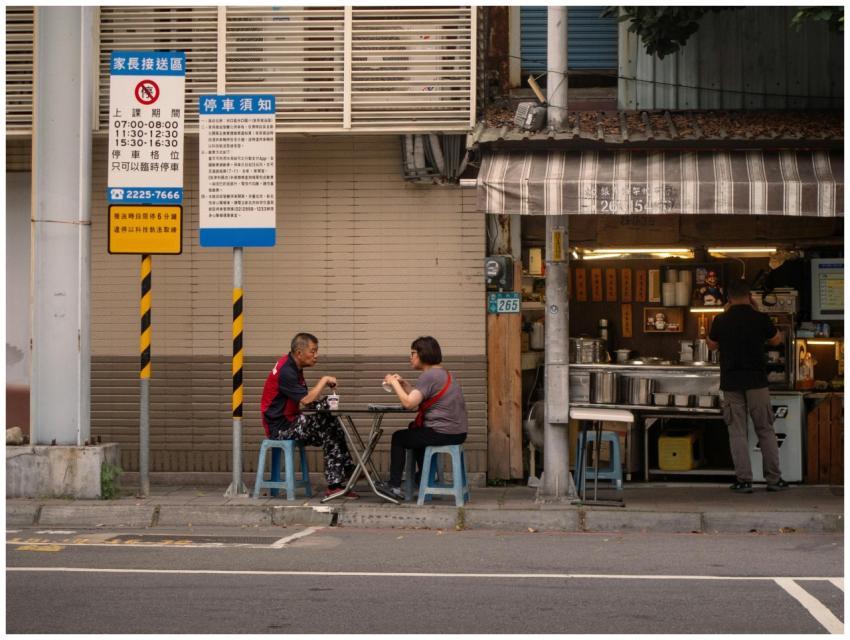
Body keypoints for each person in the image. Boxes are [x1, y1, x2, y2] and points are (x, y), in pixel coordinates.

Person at [707, 279, 787, 494]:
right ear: (749, 296)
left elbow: (712, 345)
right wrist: (758, 311)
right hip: (757, 382)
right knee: (765, 430)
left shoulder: (721, 320)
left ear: (729, 298)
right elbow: (776, 340)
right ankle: (774, 480)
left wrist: (725, 314)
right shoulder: (760, 318)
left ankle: (744, 481)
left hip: (732, 383)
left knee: (737, 432)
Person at [260, 332, 358, 499]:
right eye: (313, 351)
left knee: (331, 422)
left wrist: (324, 403)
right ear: (299, 353)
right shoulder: (287, 371)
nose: (316, 355)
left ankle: (344, 473)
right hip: (280, 427)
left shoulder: (293, 366)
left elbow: (304, 400)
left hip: (291, 420)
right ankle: (338, 480)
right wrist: (324, 380)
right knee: (329, 426)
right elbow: (306, 400)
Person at [381, 336, 468, 500]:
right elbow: (419, 396)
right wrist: (405, 384)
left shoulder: (429, 375)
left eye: (413, 353)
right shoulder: (442, 373)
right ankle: (424, 479)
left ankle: (394, 487)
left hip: (443, 432)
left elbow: (409, 404)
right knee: (415, 430)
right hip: (457, 432)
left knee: (399, 437)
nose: (410, 357)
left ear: (423, 354)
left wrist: (394, 383)